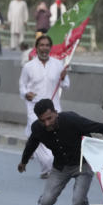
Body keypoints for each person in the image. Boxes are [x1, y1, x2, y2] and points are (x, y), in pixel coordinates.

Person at [18, 34, 68, 177]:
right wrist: (26, 93)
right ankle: (47, 167)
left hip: (54, 108)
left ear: (50, 48)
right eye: (42, 45)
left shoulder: (58, 64)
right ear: (37, 47)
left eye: (47, 45)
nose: (44, 48)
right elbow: (22, 86)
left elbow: (66, 85)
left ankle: (49, 165)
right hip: (34, 108)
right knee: (38, 134)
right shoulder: (28, 66)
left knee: (55, 136)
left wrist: (63, 77)